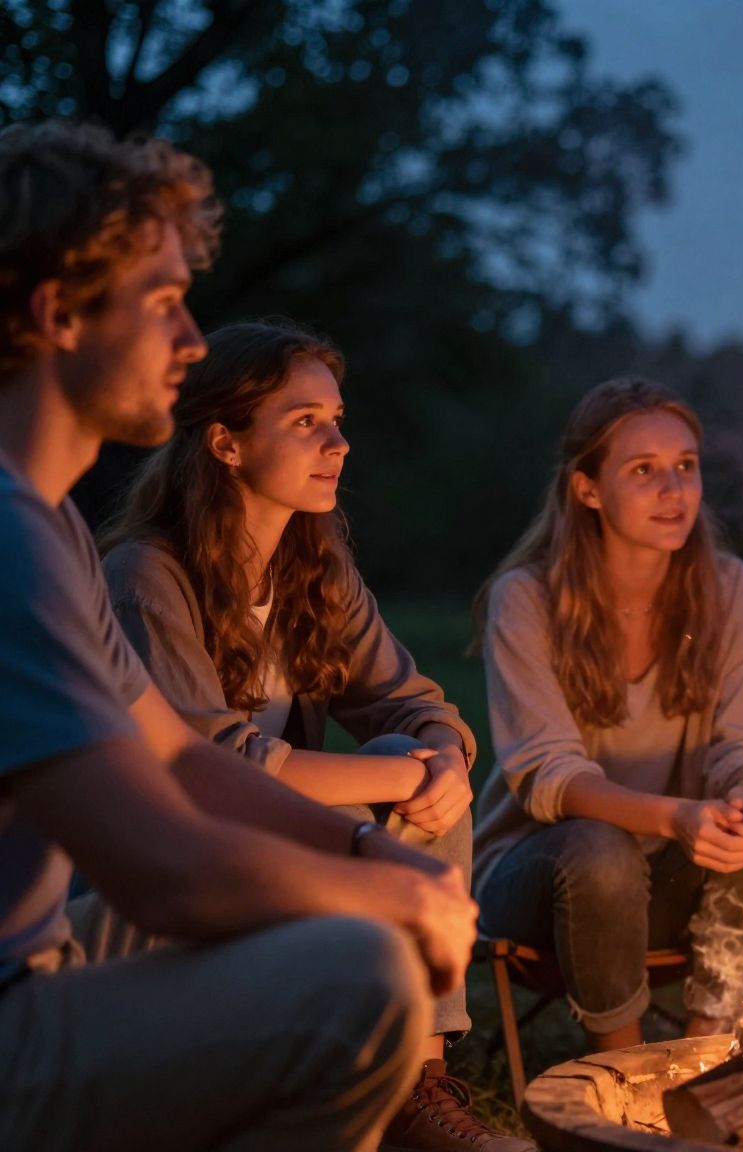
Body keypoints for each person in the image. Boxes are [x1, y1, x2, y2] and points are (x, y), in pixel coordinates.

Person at [0, 121, 472, 1152]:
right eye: (164, 303)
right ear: (57, 316)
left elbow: (171, 753)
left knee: (344, 914)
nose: (189, 342)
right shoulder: (21, 545)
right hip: (13, 1021)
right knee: (359, 977)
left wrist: (364, 846)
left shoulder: (49, 527)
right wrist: (380, 893)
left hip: (42, 959)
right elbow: (161, 869)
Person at [95, 319, 527, 1151]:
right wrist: (410, 774)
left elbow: (418, 701)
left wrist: (442, 752)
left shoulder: (311, 569)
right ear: (224, 441)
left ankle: (418, 1080)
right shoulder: (146, 577)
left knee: (418, 758)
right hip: (161, 867)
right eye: (305, 422)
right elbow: (208, 765)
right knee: (406, 769)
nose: (339, 441)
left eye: (336, 418)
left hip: (277, 839)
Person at [473, 377, 743, 1052]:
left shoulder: (730, 591)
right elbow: (549, 777)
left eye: (686, 467)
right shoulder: (527, 600)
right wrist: (676, 816)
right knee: (601, 847)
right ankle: (628, 1079)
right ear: (587, 488)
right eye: (644, 471)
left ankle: (703, 1059)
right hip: (538, 884)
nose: (673, 491)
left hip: (677, 870)